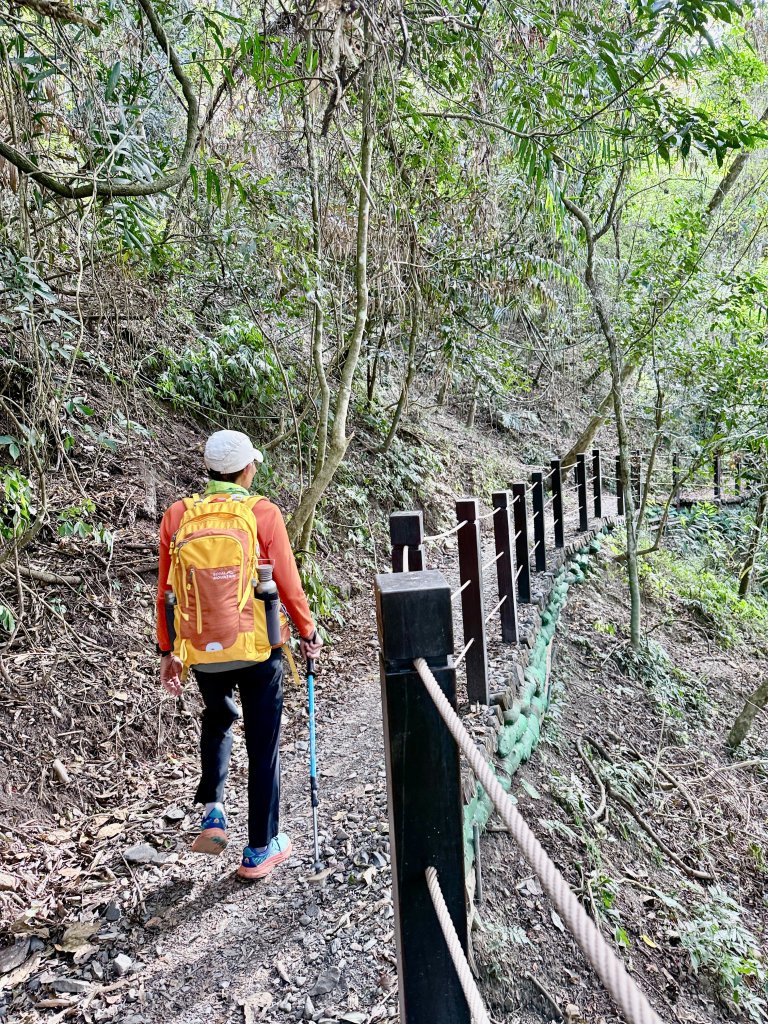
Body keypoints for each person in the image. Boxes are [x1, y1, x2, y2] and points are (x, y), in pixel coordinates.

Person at [155, 429, 323, 881]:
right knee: (263, 742)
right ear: (248, 469)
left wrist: (168, 650)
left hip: (200, 648)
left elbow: (166, 591)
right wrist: (307, 631)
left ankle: (213, 809)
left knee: (218, 715)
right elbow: (287, 583)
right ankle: (259, 849)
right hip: (256, 646)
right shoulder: (262, 513)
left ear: (208, 471)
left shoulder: (177, 516)